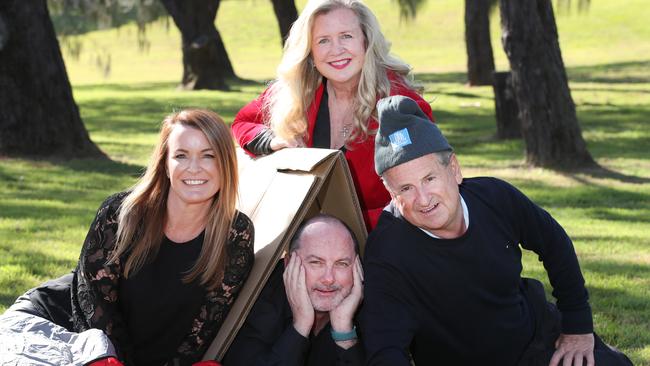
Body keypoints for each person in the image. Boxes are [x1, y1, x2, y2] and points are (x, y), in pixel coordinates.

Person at [360, 96, 632, 366]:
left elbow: (554, 242)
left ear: (454, 169)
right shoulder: (388, 249)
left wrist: (578, 325)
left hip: (537, 339)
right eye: (405, 189)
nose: (422, 198)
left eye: (429, 179)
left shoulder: (494, 197)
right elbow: (385, 346)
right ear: (391, 193)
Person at [0, 109, 255, 366]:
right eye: (181, 155)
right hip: (57, 329)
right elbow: (94, 307)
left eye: (208, 156)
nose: (194, 168)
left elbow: (203, 331)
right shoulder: (121, 214)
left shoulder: (235, 234)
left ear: (225, 164)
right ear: (165, 165)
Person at [231, 0, 433, 230]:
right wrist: (272, 141)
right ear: (310, 52)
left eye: (346, 36)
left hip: (383, 240)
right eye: (323, 40)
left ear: (366, 41)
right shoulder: (299, 92)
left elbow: (423, 194)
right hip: (307, 243)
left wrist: (343, 229)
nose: (336, 50)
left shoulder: (401, 105)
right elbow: (242, 122)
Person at [223, 214, 364, 366]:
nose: (329, 278)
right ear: (288, 264)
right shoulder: (259, 300)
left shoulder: (368, 303)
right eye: (316, 262)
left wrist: (344, 332)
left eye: (341, 263)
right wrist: (300, 326)